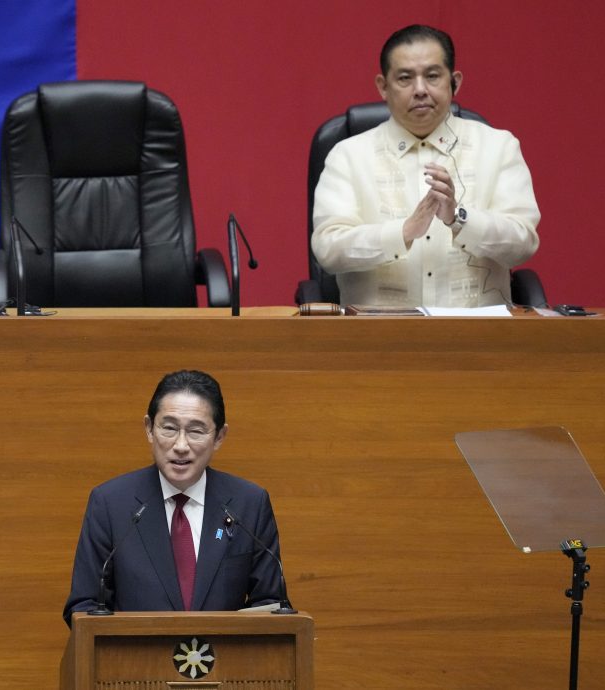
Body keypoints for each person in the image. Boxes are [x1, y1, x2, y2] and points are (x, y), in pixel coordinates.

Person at [312, 24, 540, 308]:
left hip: (478, 337)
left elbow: (522, 244)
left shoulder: (498, 147)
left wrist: (459, 218)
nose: (420, 90)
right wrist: (404, 232)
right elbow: (328, 249)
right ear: (383, 87)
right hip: (377, 338)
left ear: (454, 82)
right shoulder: (347, 155)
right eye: (405, 78)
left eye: (432, 76)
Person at [63, 370, 285, 625]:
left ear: (219, 437)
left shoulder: (249, 504)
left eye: (195, 431)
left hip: (222, 664)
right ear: (149, 429)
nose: (181, 445)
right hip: (135, 663)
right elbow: (84, 606)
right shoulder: (111, 503)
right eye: (169, 428)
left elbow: (271, 607)